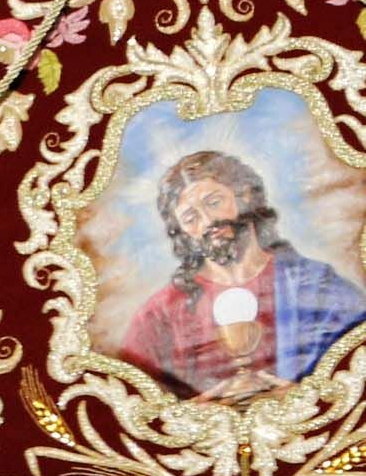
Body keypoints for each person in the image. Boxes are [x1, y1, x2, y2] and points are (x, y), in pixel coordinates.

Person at [128, 146, 366, 399]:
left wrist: (304, 398)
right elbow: (134, 410)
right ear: (183, 233)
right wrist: (195, 413)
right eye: (190, 218)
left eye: (214, 202)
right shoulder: (160, 315)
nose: (208, 222)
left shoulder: (316, 286)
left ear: (245, 196)